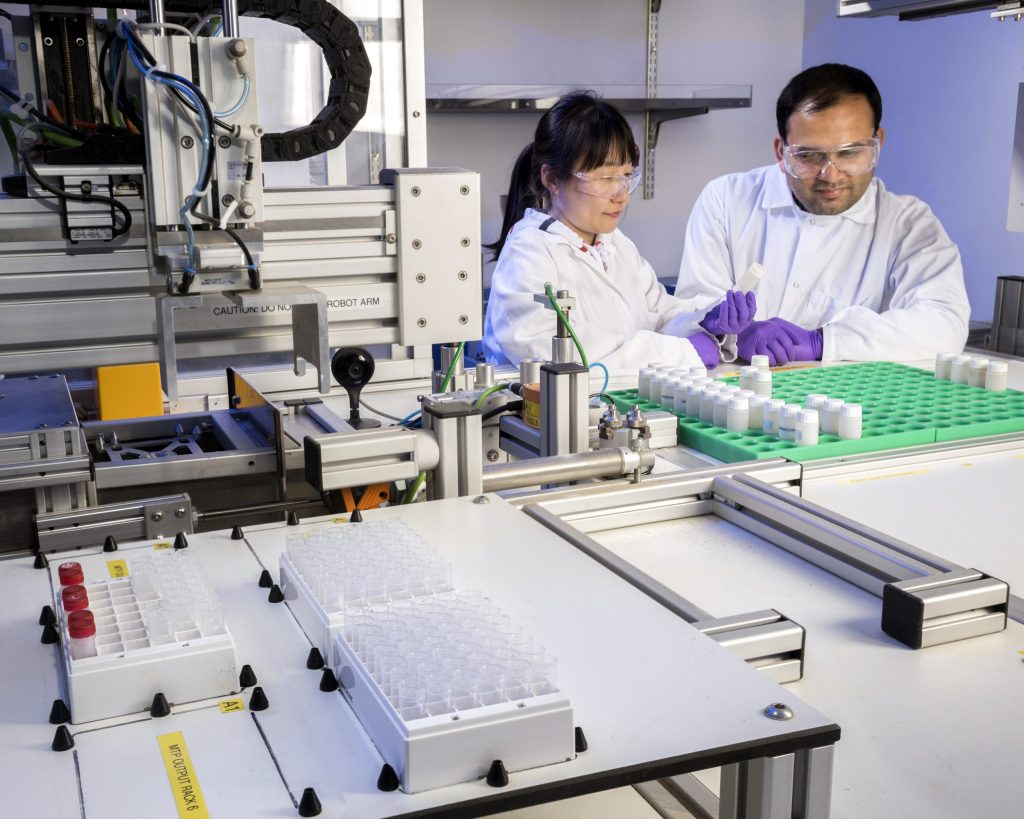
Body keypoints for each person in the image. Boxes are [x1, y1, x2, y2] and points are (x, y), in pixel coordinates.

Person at [674, 63, 970, 366]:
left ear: (877, 143)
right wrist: (728, 333)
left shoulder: (908, 224)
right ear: (781, 151)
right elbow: (690, 311)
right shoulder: (726, 199)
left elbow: (945, 325)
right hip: (730, 396)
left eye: (850, 153)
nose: (831, 175)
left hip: (849, 402)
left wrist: (823, 341)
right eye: (810, 156)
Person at [482, 91, 755, 380]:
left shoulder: (616, 245)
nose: (621, 195)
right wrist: (681, 353)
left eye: (626, 176)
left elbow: (659, 316)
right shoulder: (529, 251)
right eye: (605, 178)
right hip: (545, 414)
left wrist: (705, 321)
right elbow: (555, 351)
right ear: (550, 178)